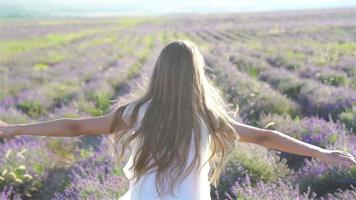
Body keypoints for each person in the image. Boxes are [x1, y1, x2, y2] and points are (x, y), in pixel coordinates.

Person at [0, 39, 355, 200]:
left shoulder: (137, 113)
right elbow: (265, 137)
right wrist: (322, 153)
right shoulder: (207, 117)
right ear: (196, 75)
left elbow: (75, 127)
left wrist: (17, 129)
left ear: (160, 73)